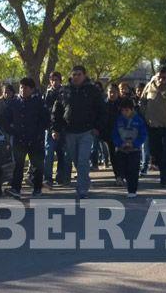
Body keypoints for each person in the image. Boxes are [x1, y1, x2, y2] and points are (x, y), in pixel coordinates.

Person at [51, 65, 106, 199]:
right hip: (69, 131)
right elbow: (57, 111)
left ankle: (82, 190)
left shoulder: (92, 90)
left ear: (84, 75)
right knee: (75, 159)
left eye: (79, 74)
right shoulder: (64, 91)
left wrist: (97, 127)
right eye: (74, 74)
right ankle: (85, 180)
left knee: (82, 160)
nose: (76, 77)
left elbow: (102, 110)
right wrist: (55, 129)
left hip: (87, 131)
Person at [4, 78, 50, 198]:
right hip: (19, 139)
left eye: (25, 88)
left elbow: (45, 120)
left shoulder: (38, 102)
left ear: (32, 89)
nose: (22, 90)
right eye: (21, 87)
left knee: (37, 165)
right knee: (18, 165)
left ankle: (37, 188)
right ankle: (16, 188)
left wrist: (39, 133)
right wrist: (12, 131)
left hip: (35, 139)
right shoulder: (14, 102)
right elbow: (5, 120)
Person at [140, 66, 166, 187]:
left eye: (164, 77)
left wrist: (165, 91)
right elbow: (142, 100)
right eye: (159, 76)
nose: (161, 79)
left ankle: (165, 178)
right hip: (153, 125)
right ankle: (161, 166)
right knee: (155, 151)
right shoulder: (150, 85)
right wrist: (145, 113)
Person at [112, 98, 148, 198]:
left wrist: (135, 144)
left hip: (134, 150)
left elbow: (143, 135)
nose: (124, 113)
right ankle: (123, 179)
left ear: (132, 110)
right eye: (123, 110)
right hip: (121, 149)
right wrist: (120, 143)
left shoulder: (138, 120)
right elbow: (115, 134)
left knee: (133, 170)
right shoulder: (118, 120)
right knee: (123, 168)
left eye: (127, 110)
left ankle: (132, 189)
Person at [43, 71, 69, 187]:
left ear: (60, 80)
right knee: (49, 153)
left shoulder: (65, 93)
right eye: (52, 80)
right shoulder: (47, 94)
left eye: (56, 80)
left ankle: (60, 176)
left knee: (61, 153)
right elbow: (45, 111)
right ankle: (48, 178)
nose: (54, 82)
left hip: (63, 127)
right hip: (50, 128)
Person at [102, 83, 123, 185]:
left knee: (122, 155)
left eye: (114, 92)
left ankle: (123, 174)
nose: (112, 94)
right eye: (110, 92)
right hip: (109, 134)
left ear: (118, 93)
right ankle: (118, 176)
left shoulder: (123, 104)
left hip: (122, 134)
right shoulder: (104, 105)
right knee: (113, 156)